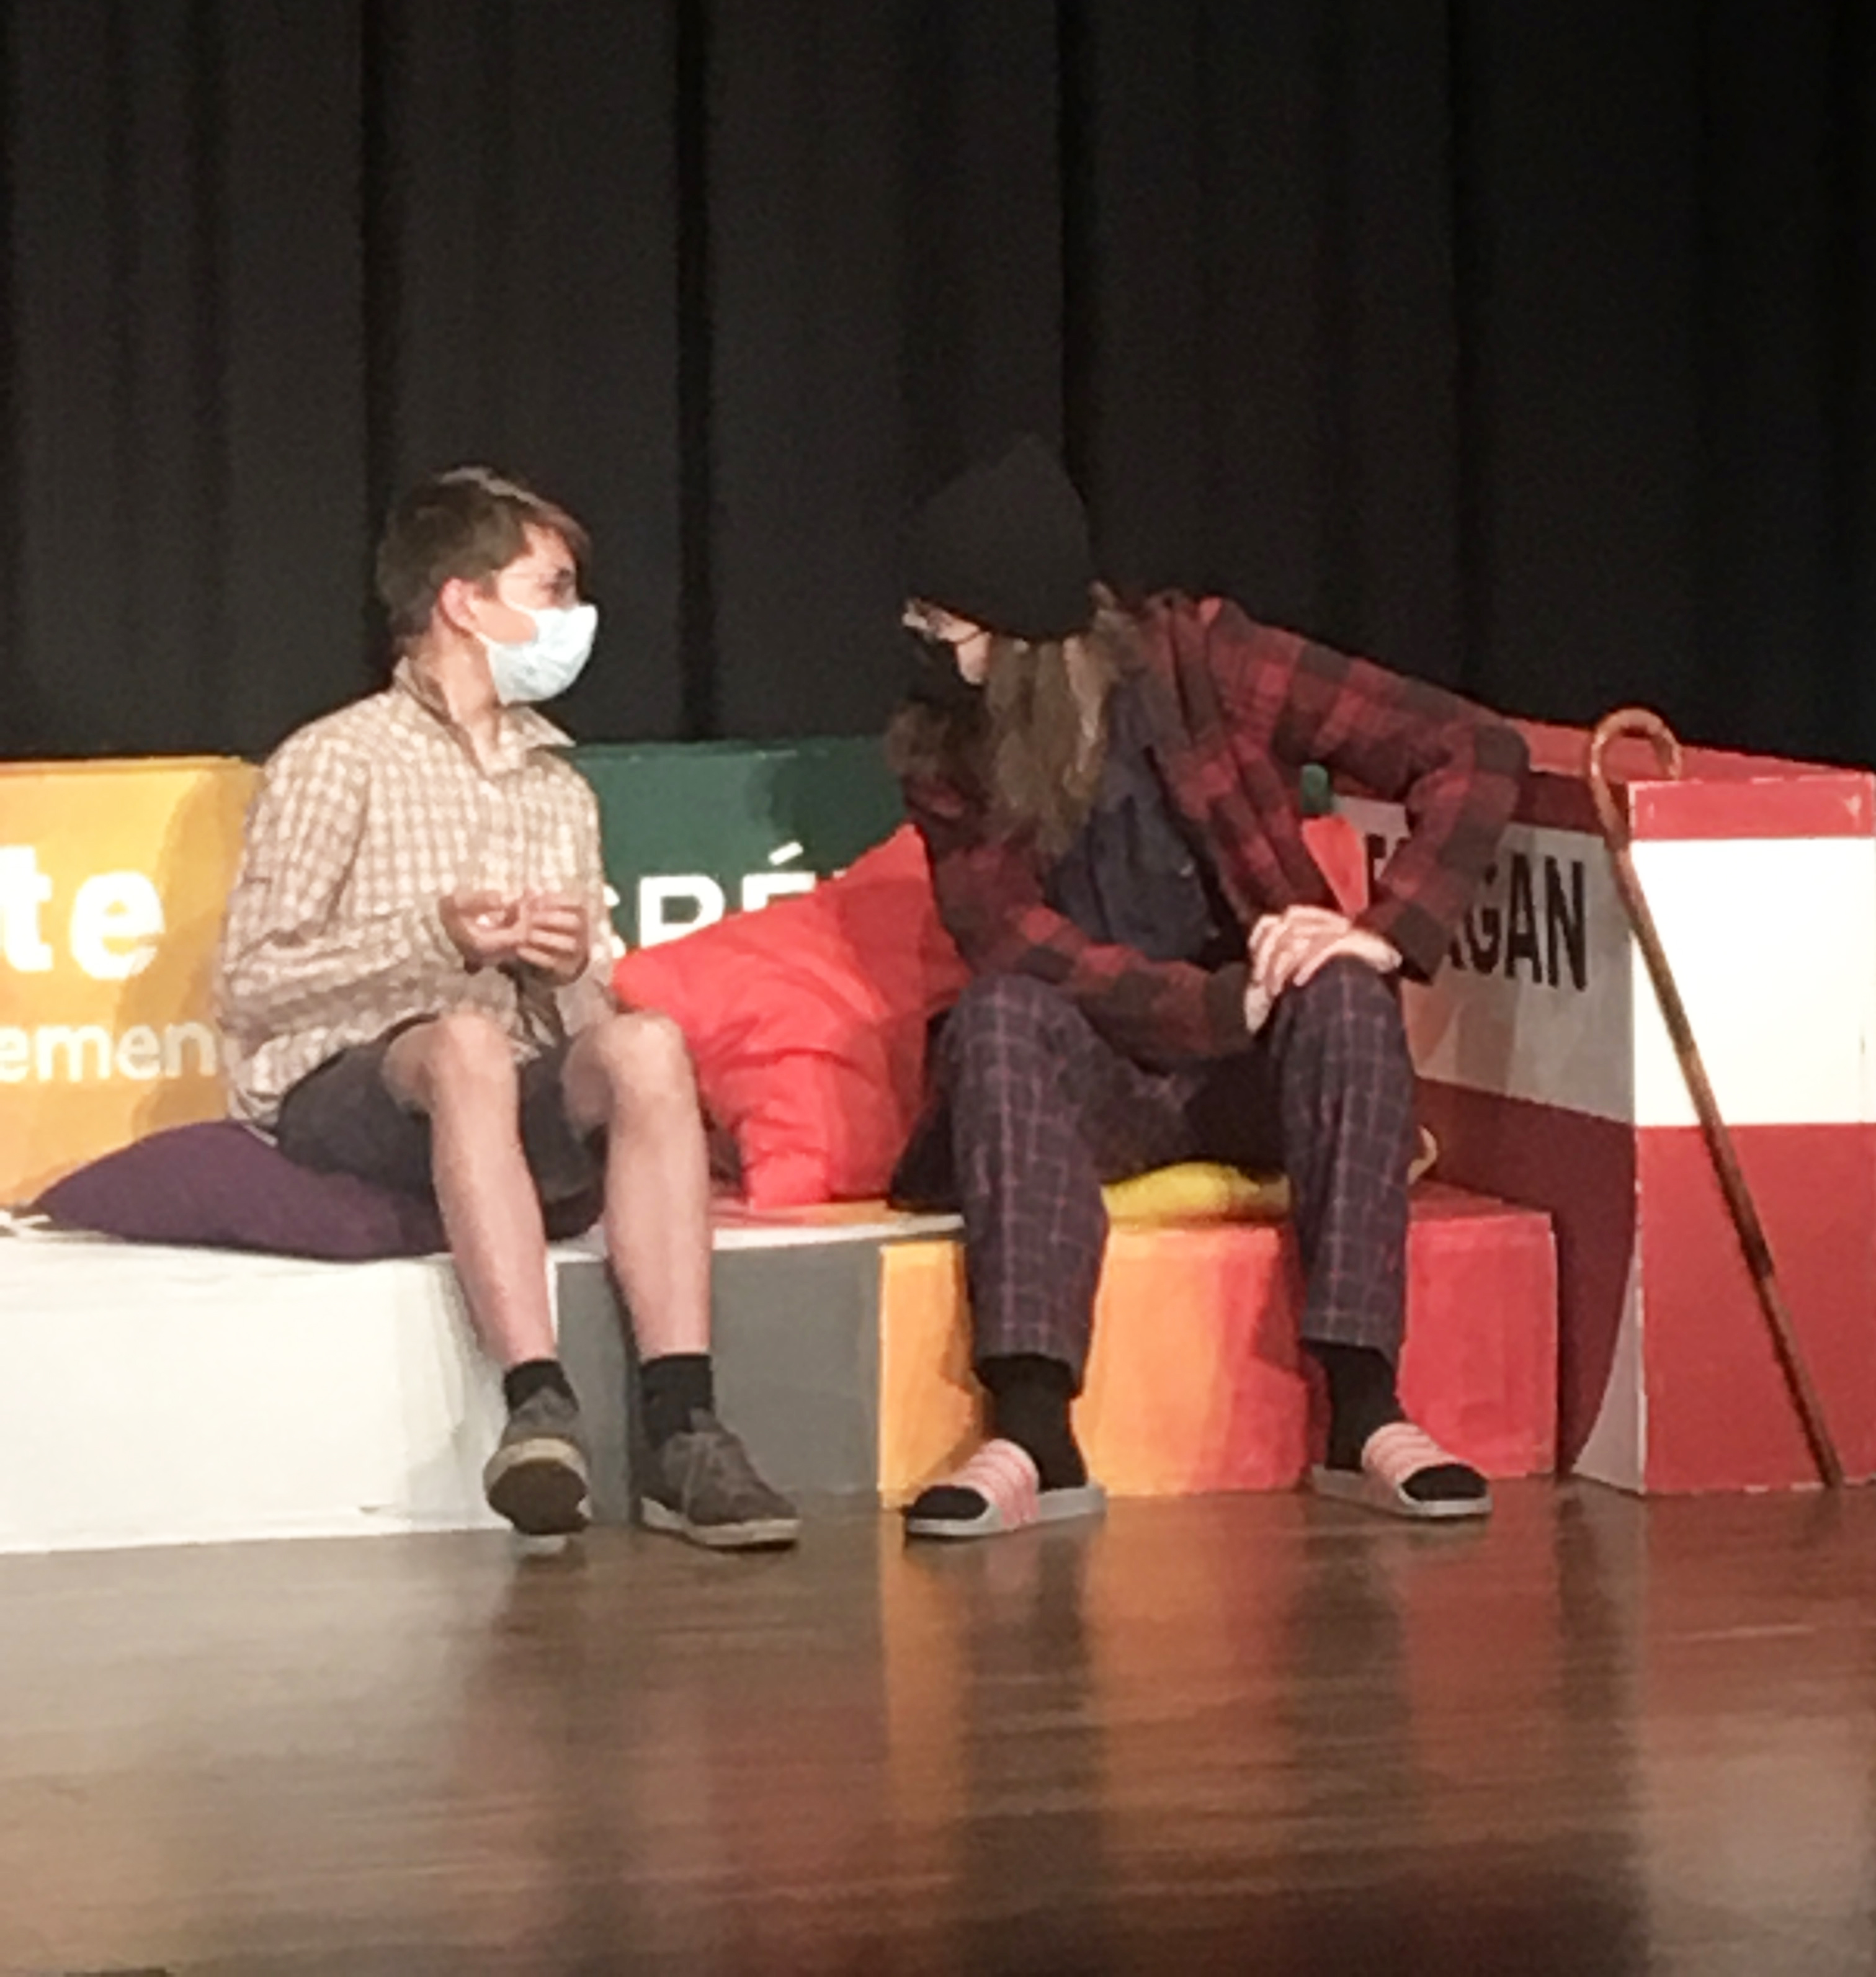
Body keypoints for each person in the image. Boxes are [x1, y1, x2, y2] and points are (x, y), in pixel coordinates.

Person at [887, 436, 1528, 1538]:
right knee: (995, 1017)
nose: (923, 646)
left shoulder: (1206, 665)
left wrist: (1385, 932)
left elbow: (1475, 748)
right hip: (1103, 1078)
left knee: (1344, 994)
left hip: (1259, 1073)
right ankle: (1033, 1430)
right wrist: (1215, 1005)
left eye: (941, 625)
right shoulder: (945, 748)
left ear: (1018, 630)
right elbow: (1014, 940)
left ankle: (1364, 1412)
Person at [217, 465, 797, 1551]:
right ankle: (538, 1404)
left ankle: (684, 1425)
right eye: (552, 589)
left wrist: (570, 965)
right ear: (464, 602)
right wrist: (435, 937)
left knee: (645, 1045)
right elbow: (251, 981)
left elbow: (580, 1016)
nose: (575, 618)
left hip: (502, 1080)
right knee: (467, 1044)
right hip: (348, 1082)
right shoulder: (336, 759)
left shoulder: (556, 785)